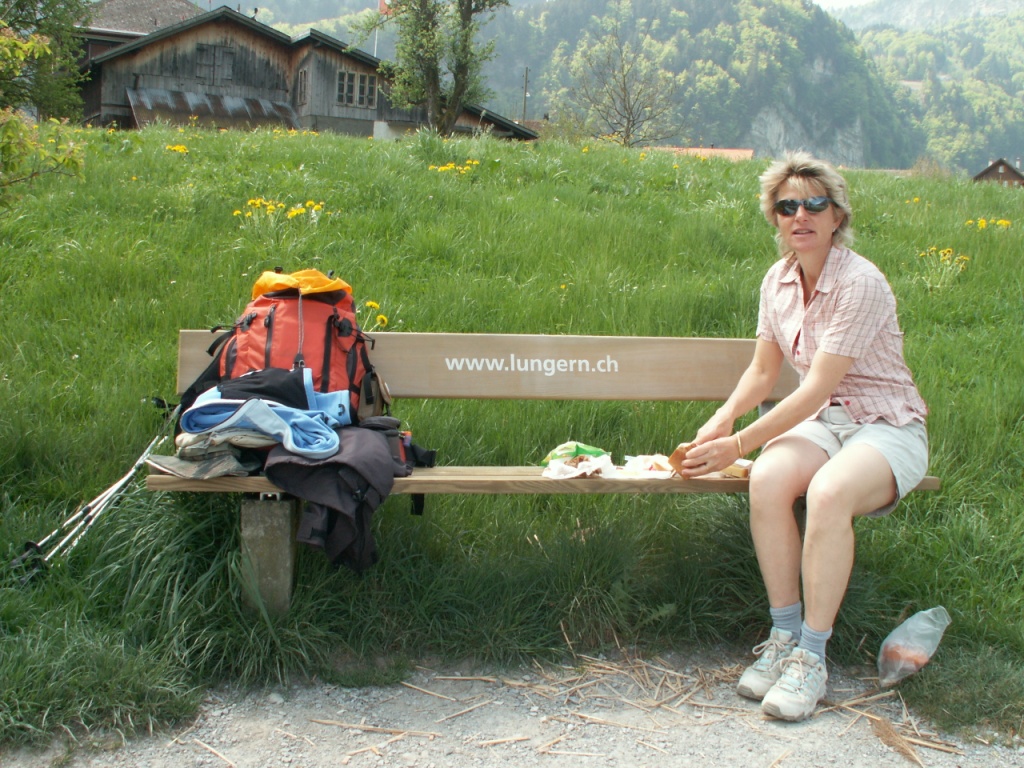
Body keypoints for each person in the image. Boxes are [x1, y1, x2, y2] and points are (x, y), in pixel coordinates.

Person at [677, 151, 928, 722]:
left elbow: (813, 389)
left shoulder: (860, 282)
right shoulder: (778, 279)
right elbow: (764, 372)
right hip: (826, 425)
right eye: (787, 205)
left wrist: (736, 444)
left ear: (837, 215)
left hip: (885, 425)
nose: (801, 215)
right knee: (767, 477)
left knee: (829, 493)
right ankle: (784, 636)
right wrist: (722, 419)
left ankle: (814, 657)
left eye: (815, 203)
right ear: (775, 218)